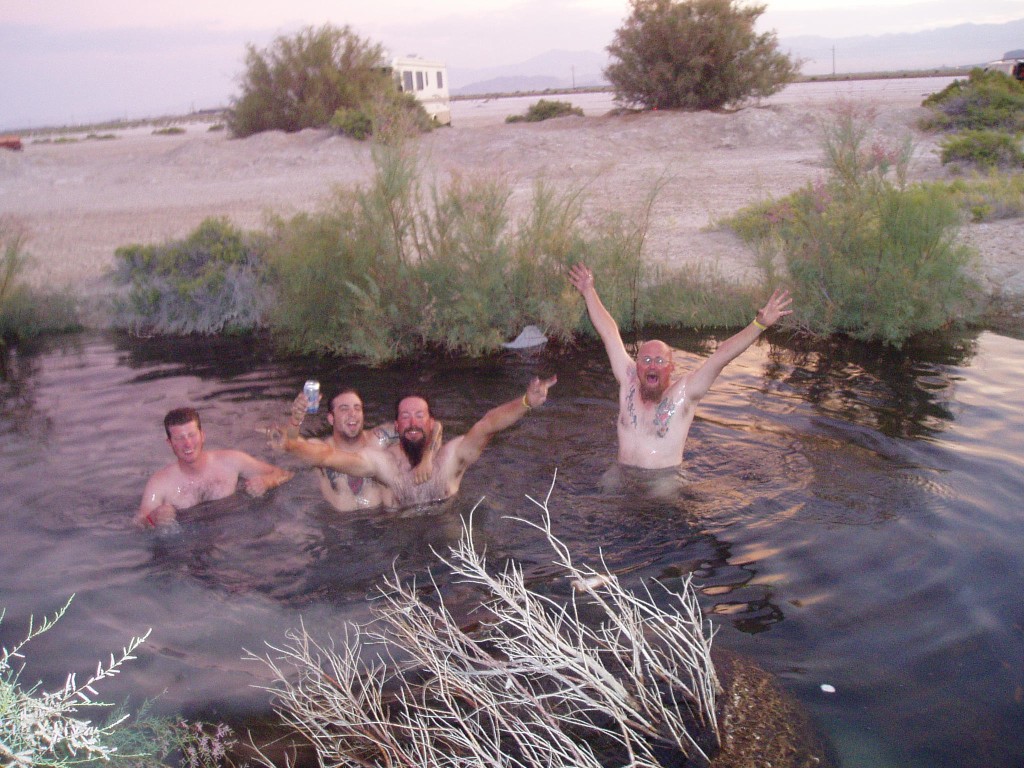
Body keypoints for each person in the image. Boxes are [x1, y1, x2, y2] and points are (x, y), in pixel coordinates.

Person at [568, 262, 792, 470]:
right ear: (637, 365)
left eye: (660, 361)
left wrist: (759, 324)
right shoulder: (628, 381)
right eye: (646, 360)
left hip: (663, 482)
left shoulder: (685, 393)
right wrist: (589, 290)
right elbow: (609, 333)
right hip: (622, 474)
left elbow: (721, 356)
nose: (652, 366)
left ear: (671, 368)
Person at [271, 376, 557, 508]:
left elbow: (487, 425)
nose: (412, 422)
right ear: (396, 426)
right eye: (405, 417)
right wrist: (292, 432)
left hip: (447, 539)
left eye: (420, 416)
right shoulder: (383, 462)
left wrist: (525, 402)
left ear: (431, 422)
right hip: (388, 543)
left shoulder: (450, 457)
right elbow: (324, 456)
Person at [285, 387, 441, 512]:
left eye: (357, 408)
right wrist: (295, 419)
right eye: (344, 409)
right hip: (337, 526)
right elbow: (291, 444)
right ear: (331, 418)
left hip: (379, 521)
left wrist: (427, 458)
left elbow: (433, 427)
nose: (352, 414)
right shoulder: (321, 449)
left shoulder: (380, 438)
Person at [135, 407, 294, 528]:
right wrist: (153, 518)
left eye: (192, 435)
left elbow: (284, 474)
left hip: (233, 531)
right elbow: (138, 522)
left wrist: (267, 482)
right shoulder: (160, 483)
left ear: (202, 435)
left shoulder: (232, 461)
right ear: (170, 443)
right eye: (179, 438)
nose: (187, 444)